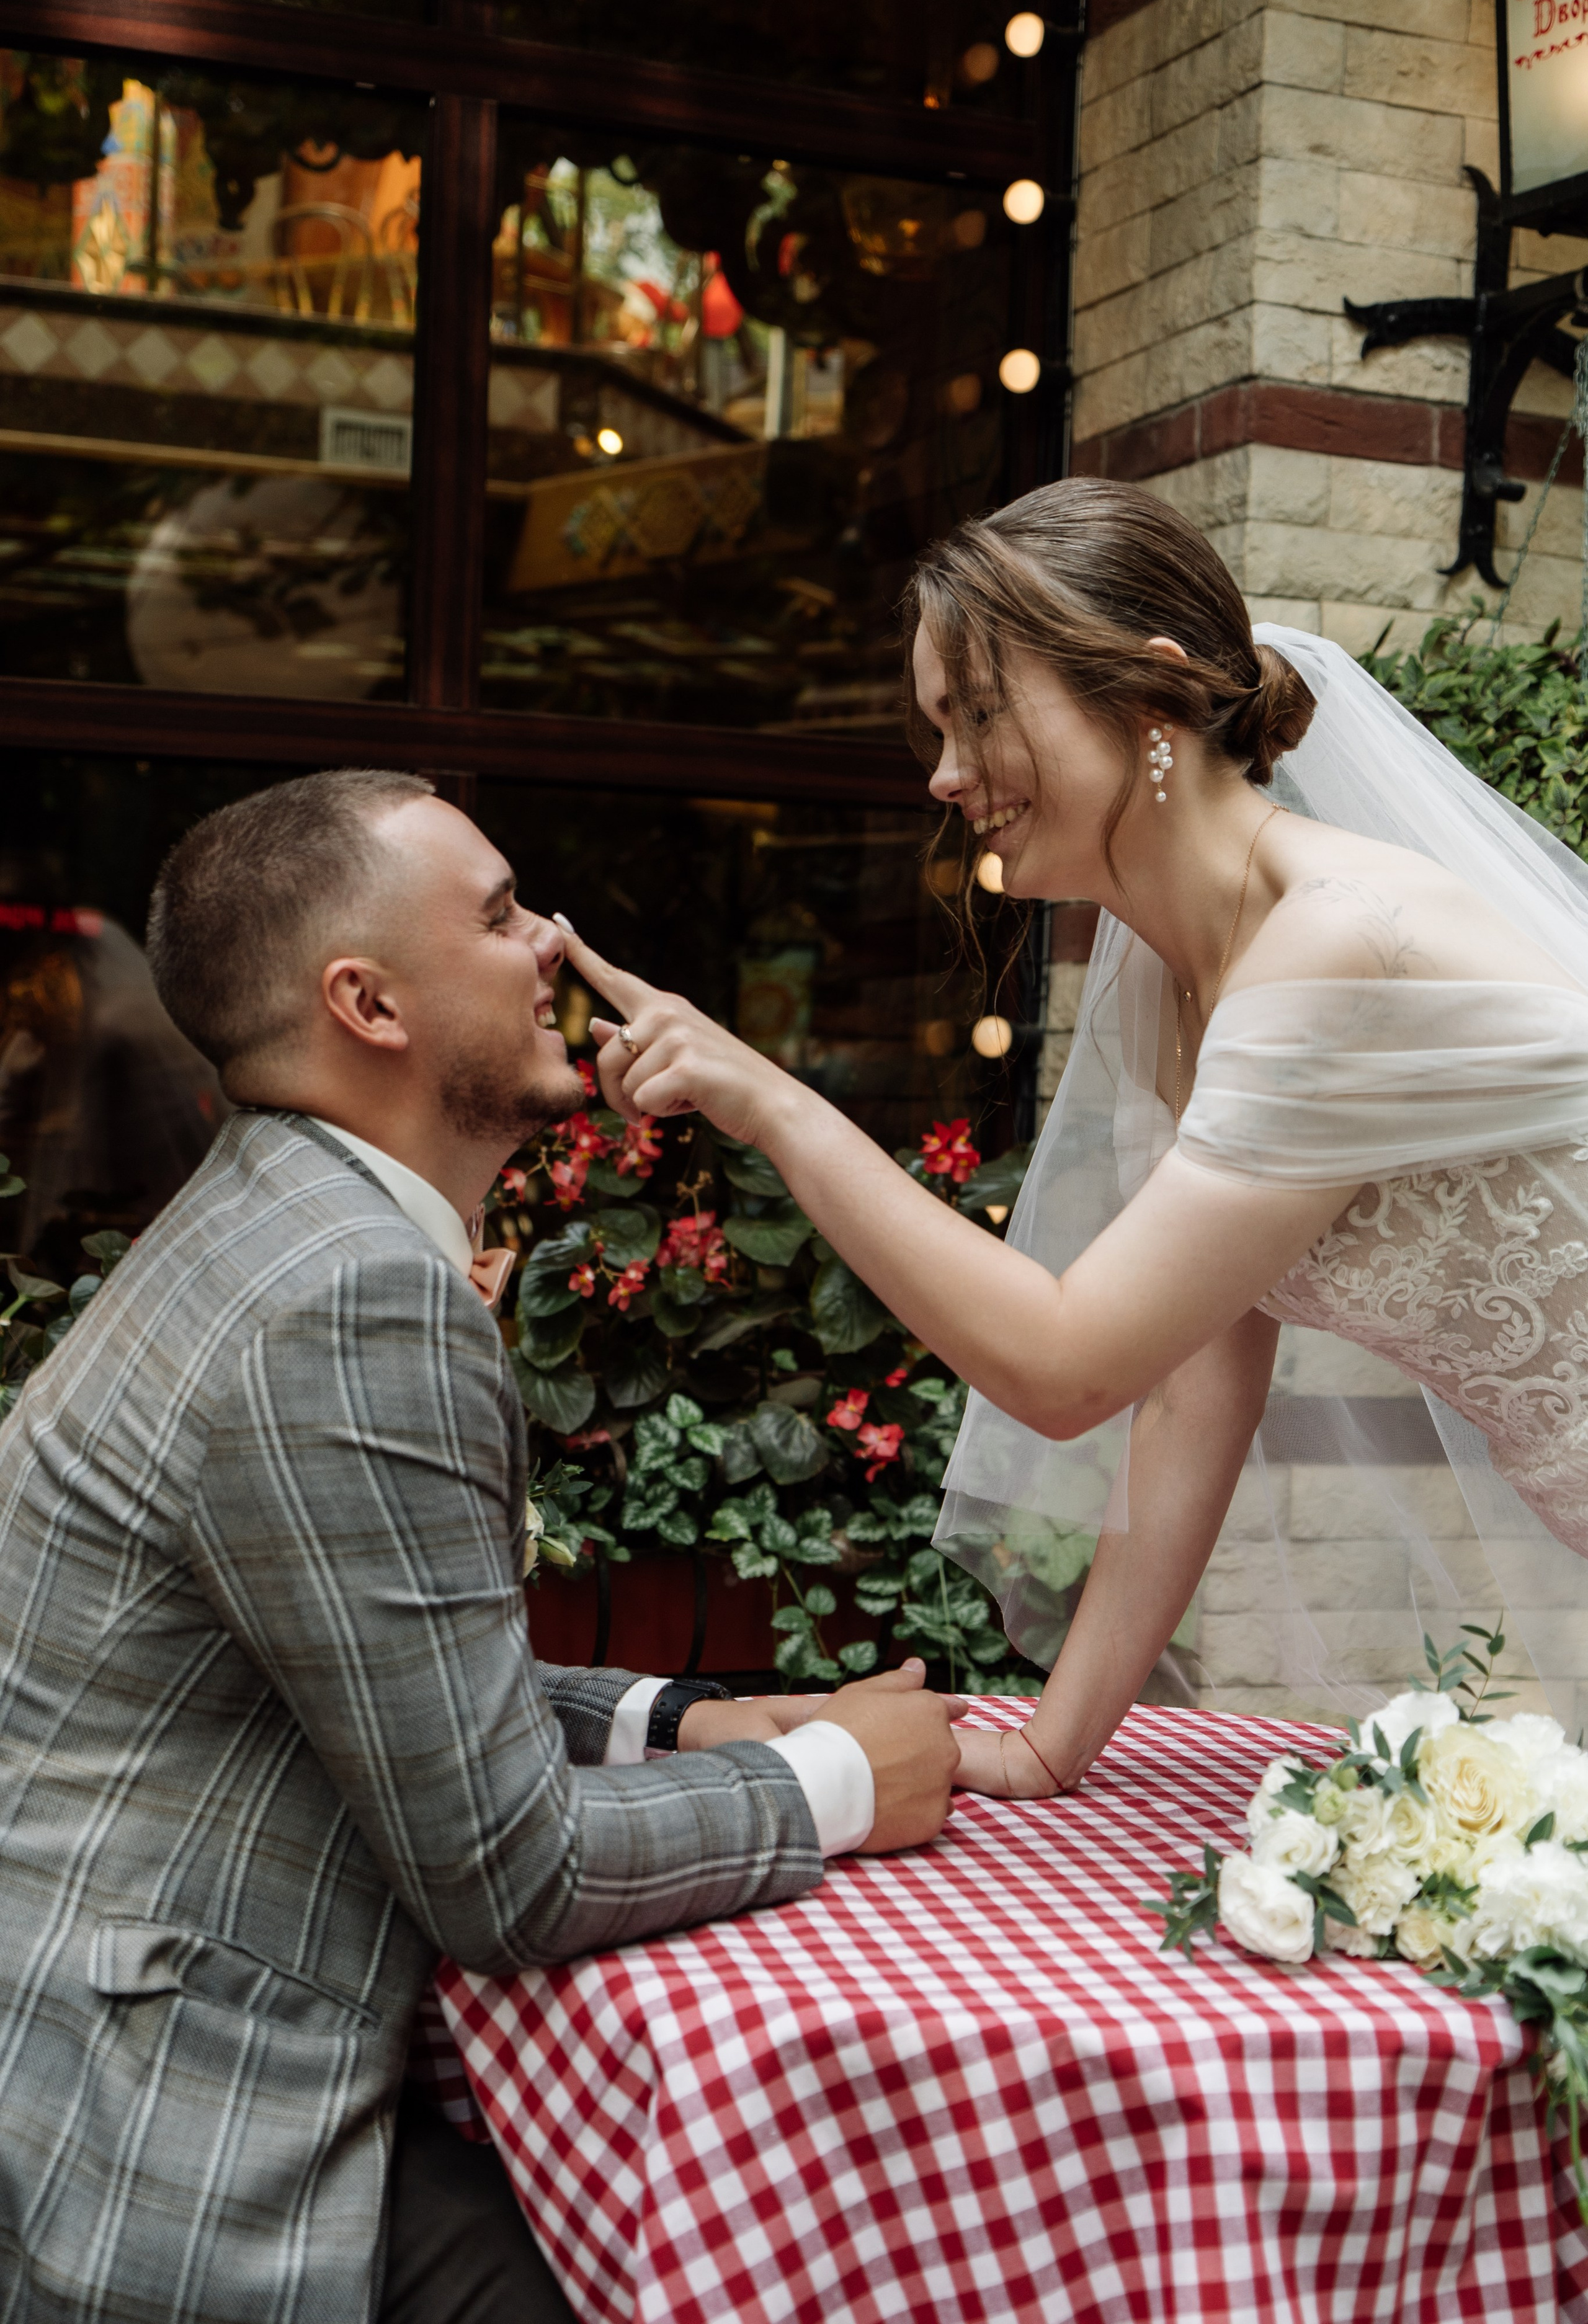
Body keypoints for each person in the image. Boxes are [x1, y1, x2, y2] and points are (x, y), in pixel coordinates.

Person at [0, 770, 963, 2323]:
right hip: (161, 2122)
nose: (554, 945)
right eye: (505, 913)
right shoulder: (349, 1296)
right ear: (367, 1003)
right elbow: (510, 1876)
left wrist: (683, 1720)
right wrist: (841, 1783)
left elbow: (385, 1666)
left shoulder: (280, 1219)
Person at [556, 476, 1588, 1804]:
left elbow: (1062, 1365)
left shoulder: (1335, 946)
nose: (942, 774)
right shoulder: (1175, 977)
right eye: (937, 725)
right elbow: (1185, 1380)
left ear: (1151, 695)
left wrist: (773, 1101)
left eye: (978, 713)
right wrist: (1055, 1745)